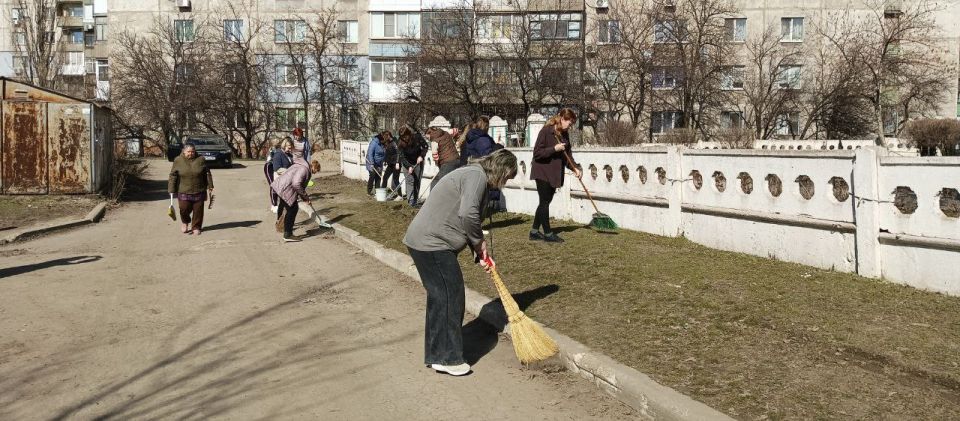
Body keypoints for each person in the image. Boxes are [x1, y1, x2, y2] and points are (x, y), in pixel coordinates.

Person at [403, 149, 518, 376]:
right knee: (451, 296)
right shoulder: (476, 177)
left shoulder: (471, 174)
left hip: (425, 242)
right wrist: (480, 243)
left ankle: (437, 354)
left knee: (440, 297)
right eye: (507, 178)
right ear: (501, 170)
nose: (504, 184)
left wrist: (479, 253)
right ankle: (448, 358)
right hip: (433, 244)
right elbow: (467, 214)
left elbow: (461, 218)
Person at [530, 108, 582, 243]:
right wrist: (554, 149)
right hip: (542, 171)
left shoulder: (564, 135)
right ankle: (548, 234)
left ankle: (534, 231)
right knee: (545, 202)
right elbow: (537, 153)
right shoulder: (546, 131)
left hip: (554, 173)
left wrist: (575, 168)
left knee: (544, 202)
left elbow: (568, 156)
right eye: (569, 123)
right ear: (562, 119)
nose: (569, 127)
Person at [271, 158, 322, 242]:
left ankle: (281, 226)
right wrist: (306, 197)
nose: (315, 172)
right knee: (293, 209)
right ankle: (288, 234)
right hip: (286, 189)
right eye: (316, 170)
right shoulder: (304, 169)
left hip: (282, 186)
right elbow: (296, 184)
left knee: (288, 208)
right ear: (314, 167)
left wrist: (305, 199)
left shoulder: (301, 166)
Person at [168, 143, 214, 235]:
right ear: (184, 152)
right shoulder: (178, 160)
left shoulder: (201, 159)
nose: (191, 153)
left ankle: (196, 227)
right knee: (183, 208)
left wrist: (210, 185)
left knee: (198, 210)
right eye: (189, 152)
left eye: (193, 151)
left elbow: (207, 173)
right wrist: (171, 189)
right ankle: (185, 222)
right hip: (183, 189)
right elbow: (173, 175)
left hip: (199, 189)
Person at [398, 125, 428, 208]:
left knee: (417, 180)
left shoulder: (417, 137)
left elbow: (425, 147)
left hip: (418, 162)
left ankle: (415, 199)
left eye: (405, 137)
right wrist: (408, 166)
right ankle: (410, 200)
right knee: (409, 180)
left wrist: (421, 156)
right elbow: (401, 156)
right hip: (406, 162)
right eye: (402, 138)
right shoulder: (400, 142)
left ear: (409, 134)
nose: (404, 139)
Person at [381, 131, 401, 199]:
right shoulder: (388, 143)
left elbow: (398, 153)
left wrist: (398, 162)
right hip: (390, 164)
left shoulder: (394, 142)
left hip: (396, 164)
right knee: (385, 177)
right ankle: (382, 194)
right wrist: (385, 161)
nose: (384, 138)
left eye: (385, 137)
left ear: (389, 136)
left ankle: (400, 195)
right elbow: (387, 153)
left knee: (395, 180)